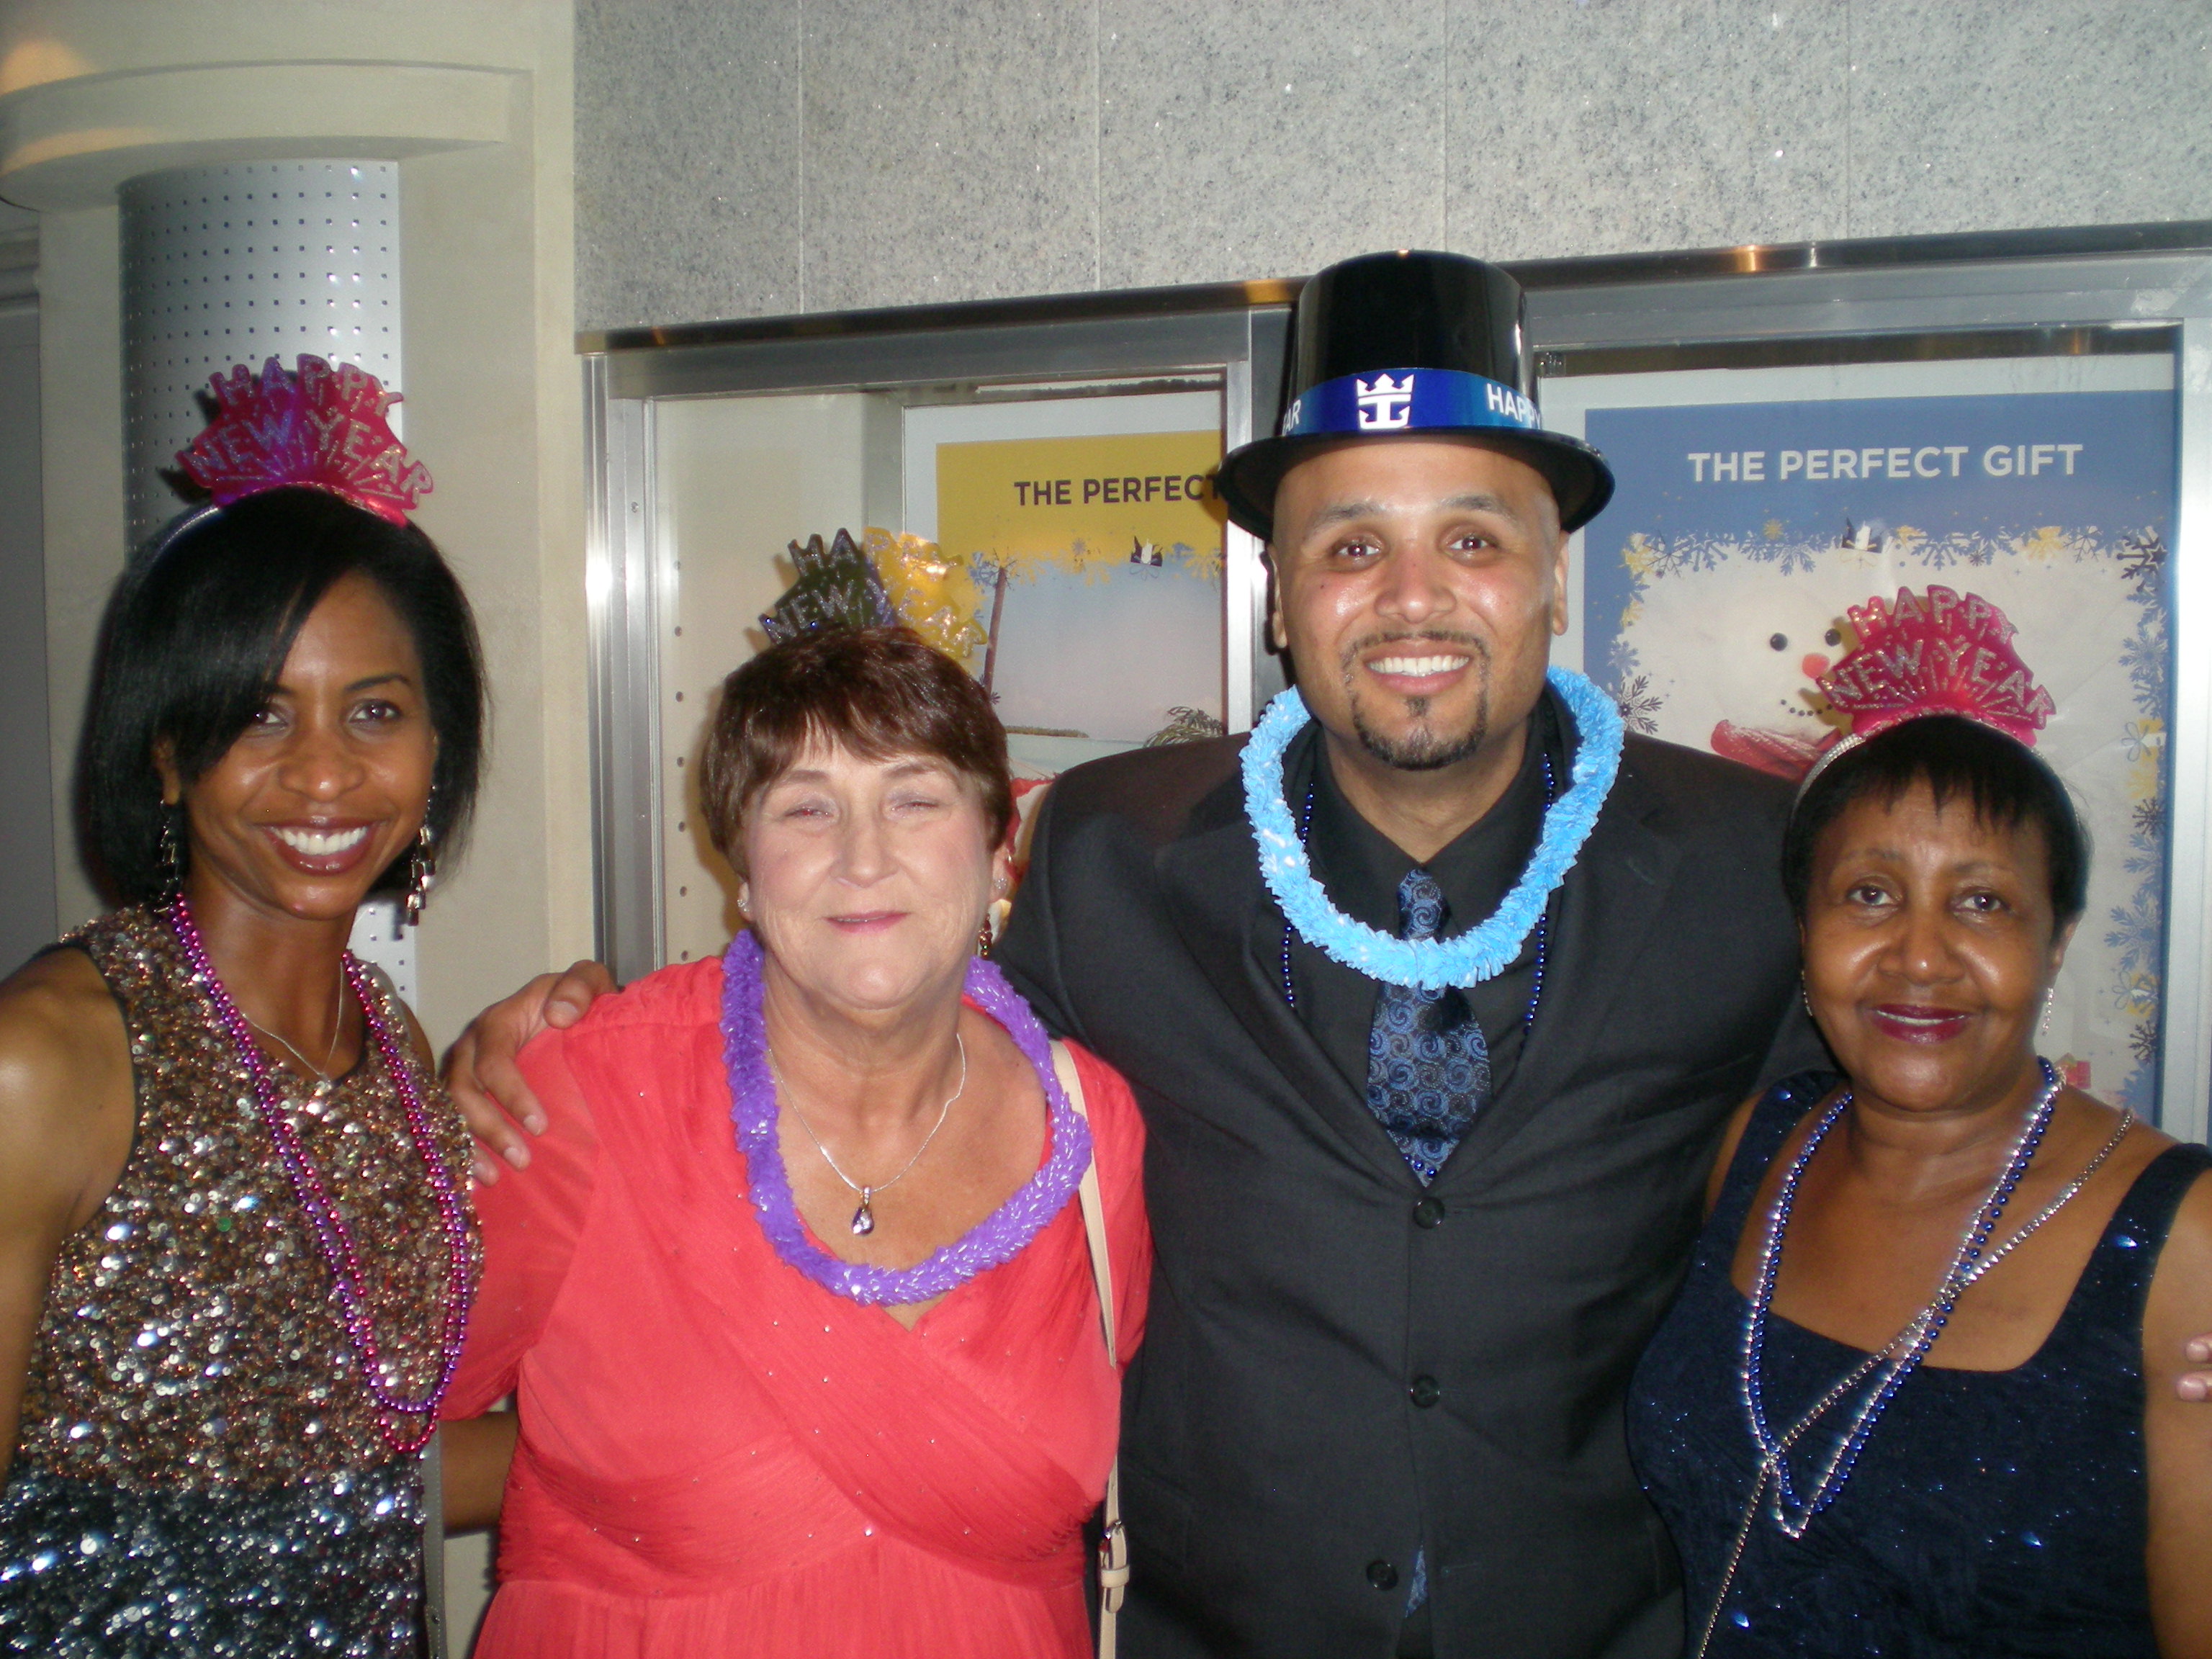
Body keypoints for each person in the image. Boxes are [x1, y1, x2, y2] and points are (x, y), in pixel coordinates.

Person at [446, 253, 2212, 1658]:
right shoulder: (1112, 853)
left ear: (1549, 580)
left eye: (1473, 540)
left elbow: (1906, 1116)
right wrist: (574, 1042)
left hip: (1595, 1626)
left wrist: (2144, 1283)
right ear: (1282, 600)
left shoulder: (1744, 863)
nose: (1413, 597)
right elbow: (886, 998)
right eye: (1350, 546)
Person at [437, 626, 1148, 1658]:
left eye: (915, 800)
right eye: (808, 808)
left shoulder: (1091, 1130)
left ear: (1000, 847)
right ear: (742, 867)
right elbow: (383, 1424)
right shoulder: (581, 1097)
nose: (864, 858)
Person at [0, 355, 485, 1657]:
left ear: (436, 749)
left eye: (375, 711)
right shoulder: (49, 1059)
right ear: (166, 751)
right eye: (260, 715)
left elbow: (359, 1470)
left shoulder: (393, 1045)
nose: (324, 774)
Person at [1629, 618, 2212, 1656]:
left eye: (1983, 902)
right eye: (1869, 895)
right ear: (1803, 929)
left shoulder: (2183, 1242)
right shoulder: (1761, 1147)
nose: (1921, 957)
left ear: (2056, 941)